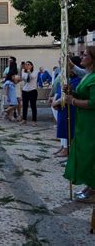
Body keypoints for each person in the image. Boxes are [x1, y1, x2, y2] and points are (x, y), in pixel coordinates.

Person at [64, 47, 95, 202]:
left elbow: (93, 102)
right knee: (86, 153)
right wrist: (72, 92)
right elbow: (83, 94)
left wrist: (73, 101)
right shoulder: (88, 74)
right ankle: (91, 184)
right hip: (84, 122)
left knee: (91, 154)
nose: (82, 56)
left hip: (92, 123)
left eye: (85, 54)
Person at [52, 56, 82, 158]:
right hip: (62, 106)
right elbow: (59, 89)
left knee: (69, 128)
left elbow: (72, 93)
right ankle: (64, 146)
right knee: (63, 126)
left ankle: (67, 148)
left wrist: (58, 102)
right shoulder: (68, 77)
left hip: (70, 107)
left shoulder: (78, 79)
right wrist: (55, 101)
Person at [20, 61, 38, 126]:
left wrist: (29, 72)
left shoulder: (35, 72)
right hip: (25, 91)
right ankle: (24, 120)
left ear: (32, 66)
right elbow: (26, 80)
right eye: (26, 65)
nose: (27, 65)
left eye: (28, 64)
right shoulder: (23, 72)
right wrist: (24, 70)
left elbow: (31, 78)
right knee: (25, 106)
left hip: (32, 91)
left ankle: (34, 121)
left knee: (33, 106)